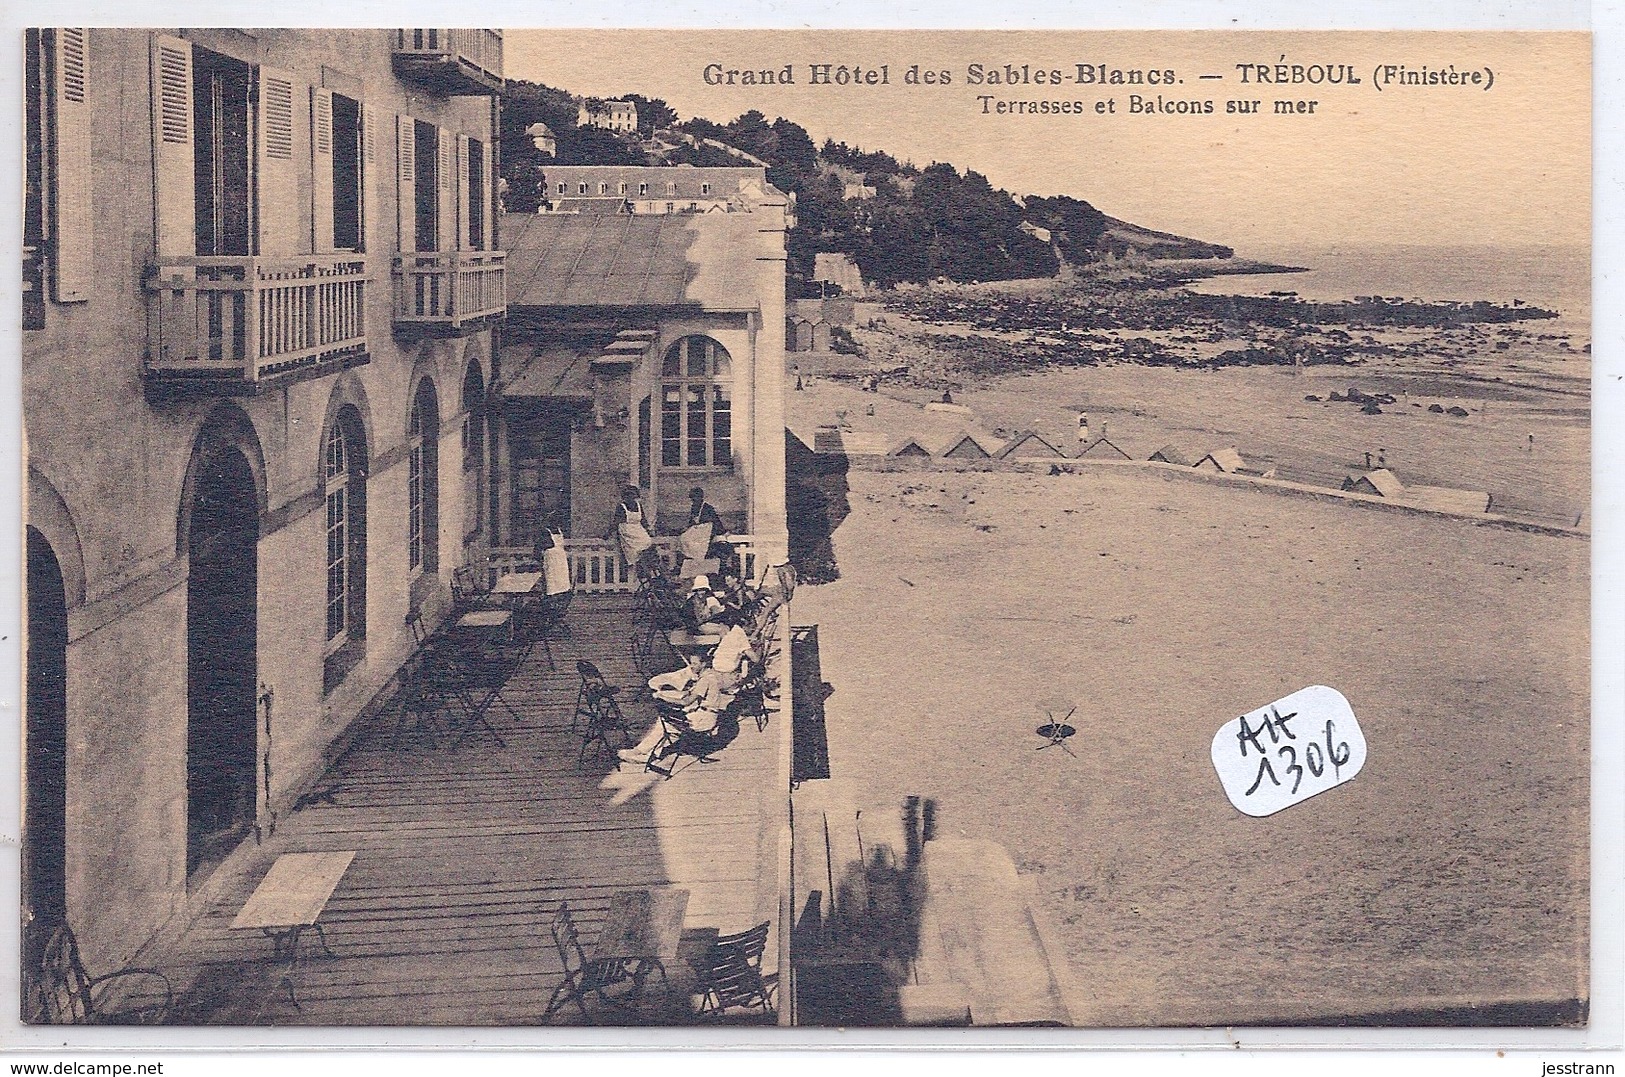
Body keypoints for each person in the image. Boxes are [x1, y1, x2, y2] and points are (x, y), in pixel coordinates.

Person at [610, 485, 654, 571]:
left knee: (647, 541)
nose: (630, 497)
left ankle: (646, 567)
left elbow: (643, 520)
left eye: (632, 495)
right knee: (634, 549)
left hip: (638, 529)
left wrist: (648, 529)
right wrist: (608, 533)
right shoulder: (621, 507)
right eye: (628, 495)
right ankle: (637, 565)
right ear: (624, 496)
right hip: (627, 530)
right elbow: (616, 521)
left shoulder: (638, 505)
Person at [680, 486, 723, 561]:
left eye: (695, 498)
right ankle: (693, 557)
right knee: (684, 538)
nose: (694, 501)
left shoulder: (708, 507)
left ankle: (699, 558)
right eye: (692, 499)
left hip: (707, 530)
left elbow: (716, 521)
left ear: (701, 497)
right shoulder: (694, 507)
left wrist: (722, 531)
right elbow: (692, 521)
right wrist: (687, 528)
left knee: (699, 543)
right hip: (698, 530)